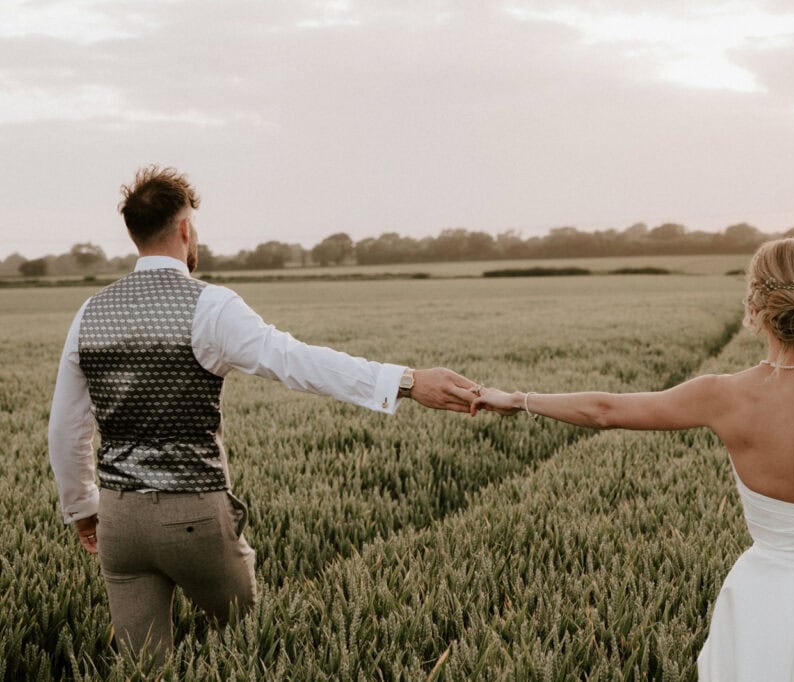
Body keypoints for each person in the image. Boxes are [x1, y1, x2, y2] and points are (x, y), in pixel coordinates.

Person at [471, 237, 794, 680]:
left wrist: (518, 399)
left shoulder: (723, 396)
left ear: (755, 306)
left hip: (764, 598)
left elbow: (606, 411)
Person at [48, 165, 480, 664]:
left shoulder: (90, 312)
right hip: (194, 516)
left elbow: (67, 429)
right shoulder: (209, 306)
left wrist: (83, 510)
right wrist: (405, 381)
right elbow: (297, 362)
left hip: (119, 522)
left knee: (143, 666)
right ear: (185, 228)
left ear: (133, 233)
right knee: (249, 647)